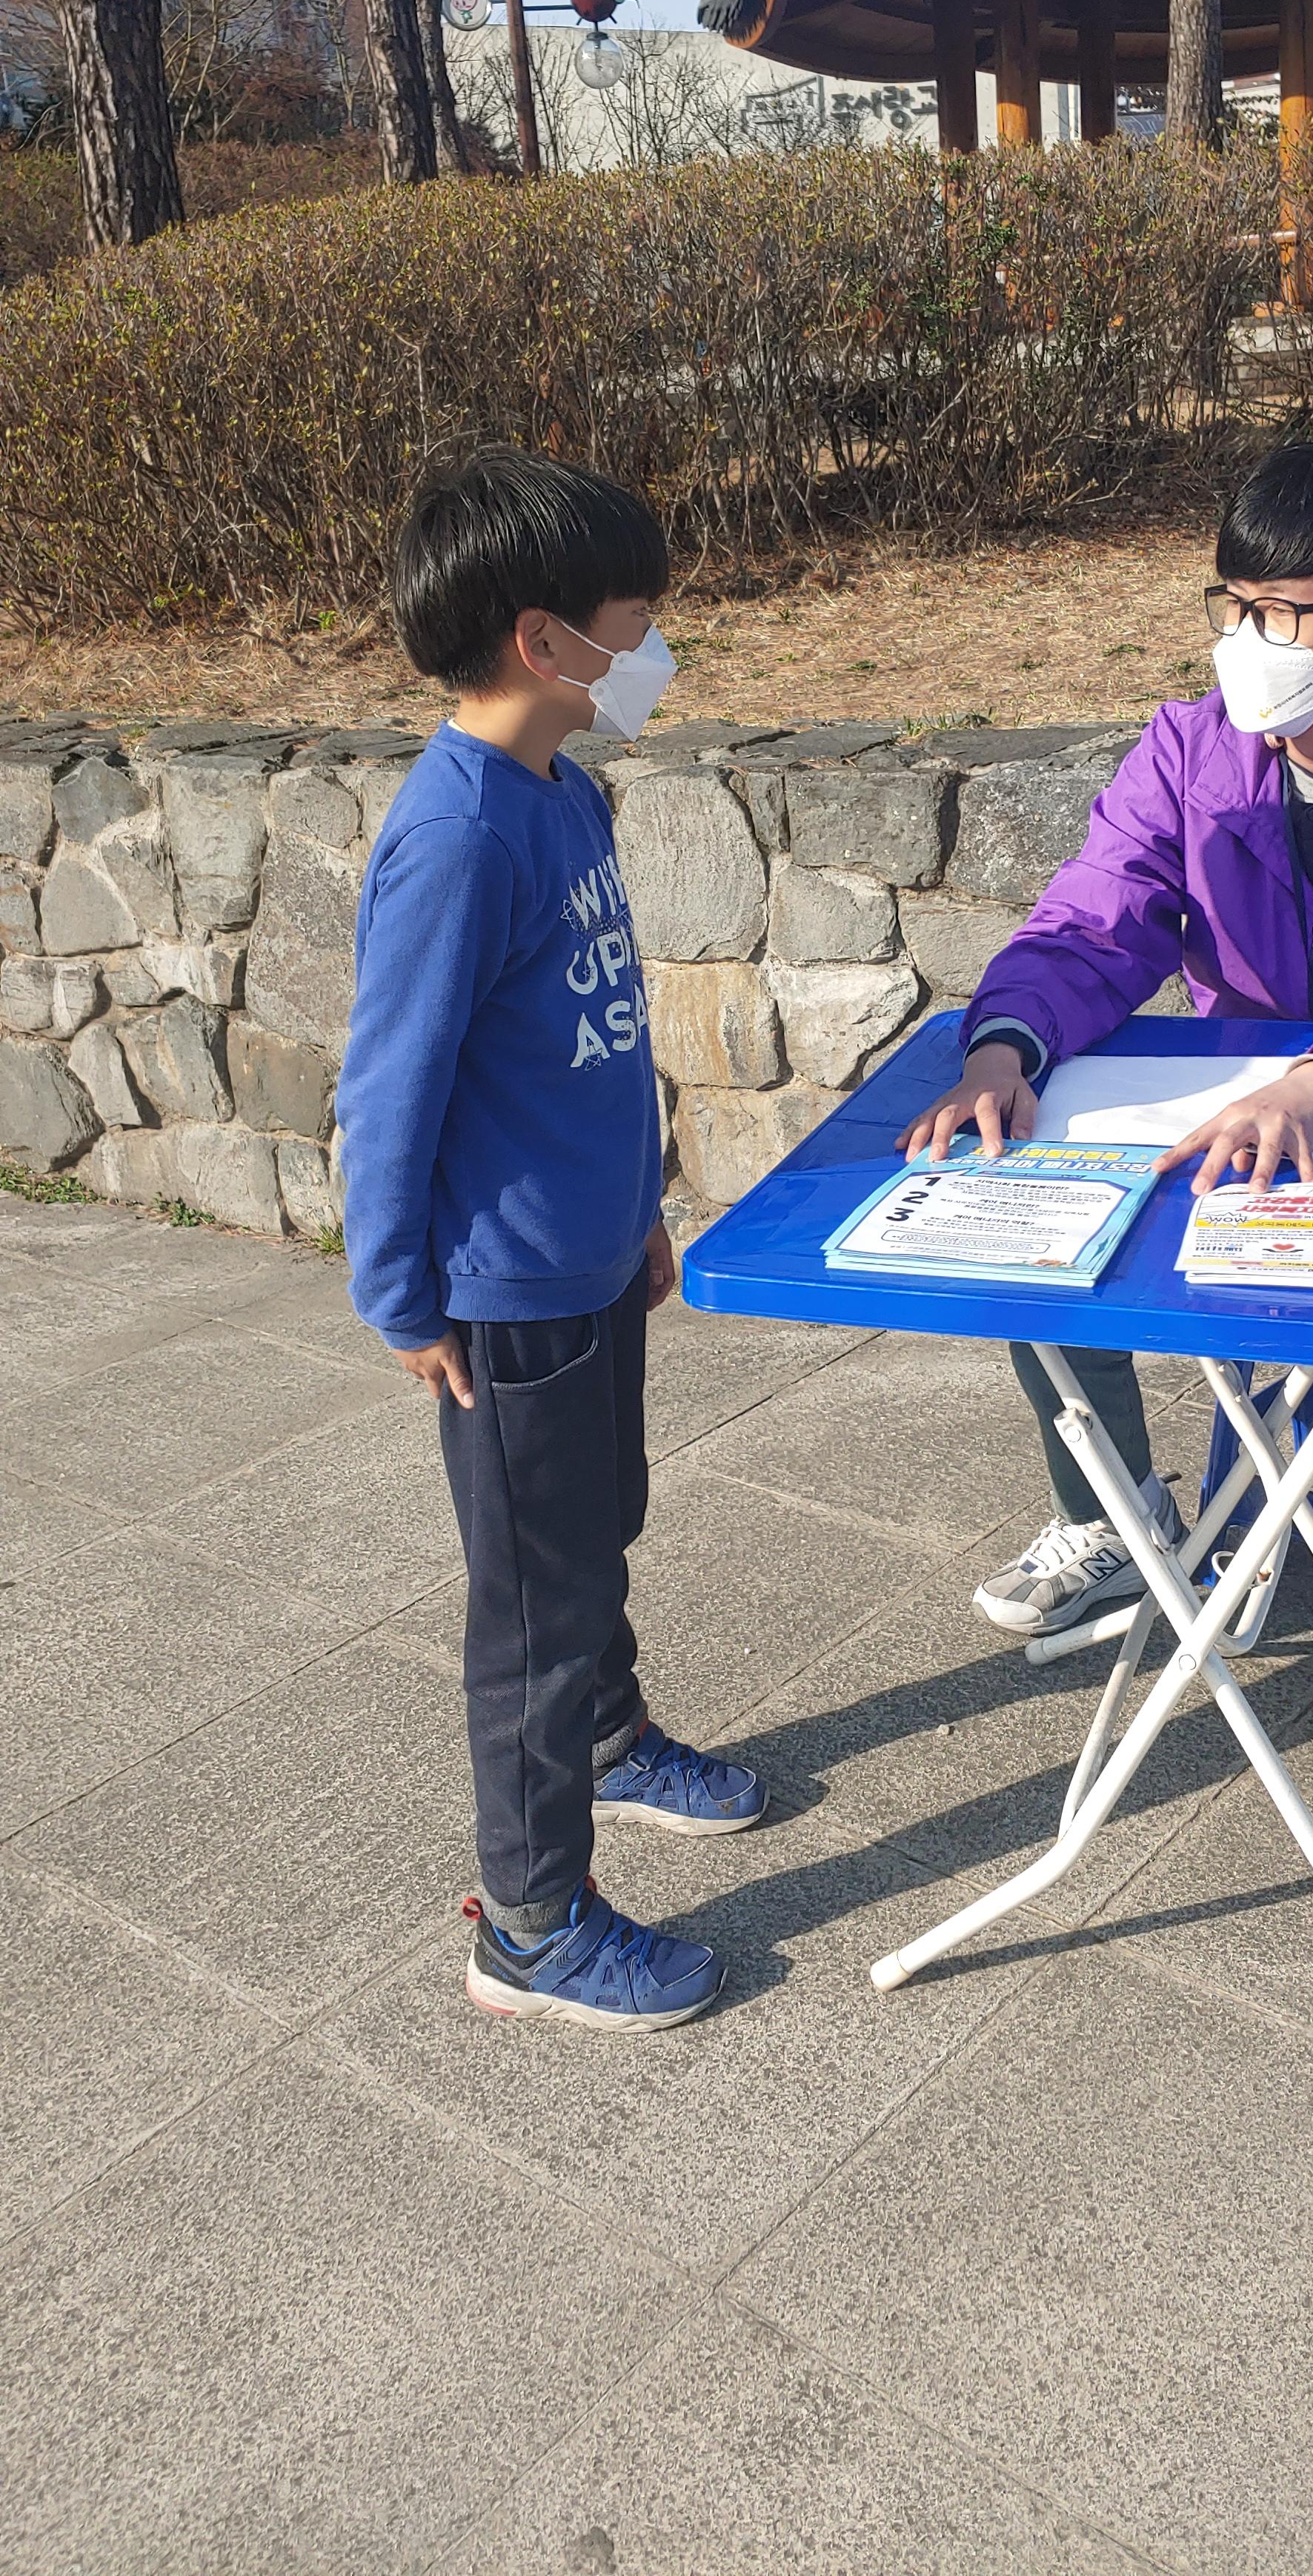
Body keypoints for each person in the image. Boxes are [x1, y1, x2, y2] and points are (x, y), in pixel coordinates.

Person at [903, 440, 1313, 1722]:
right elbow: (1093, 921)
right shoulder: (1189, 747)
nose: (1246, 641)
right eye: (1235, 605)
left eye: (1283, 613)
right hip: (1238, 1113)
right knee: (1026, 1235)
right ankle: (1115, 1519)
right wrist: (1007, 1043)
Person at [337, 448, 765, 2035]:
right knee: (532, 1607)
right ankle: (529, 1924)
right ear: (543, 640)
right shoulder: (455, 838)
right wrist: (398, 1297)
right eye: (634, 621)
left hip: (593, 1264)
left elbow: (589, 1037)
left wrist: (639, 1205)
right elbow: (389, 1087)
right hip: (502, 1299)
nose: (655, 650)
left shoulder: (564, 792)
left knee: (594, 1532)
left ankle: (609, 1735)